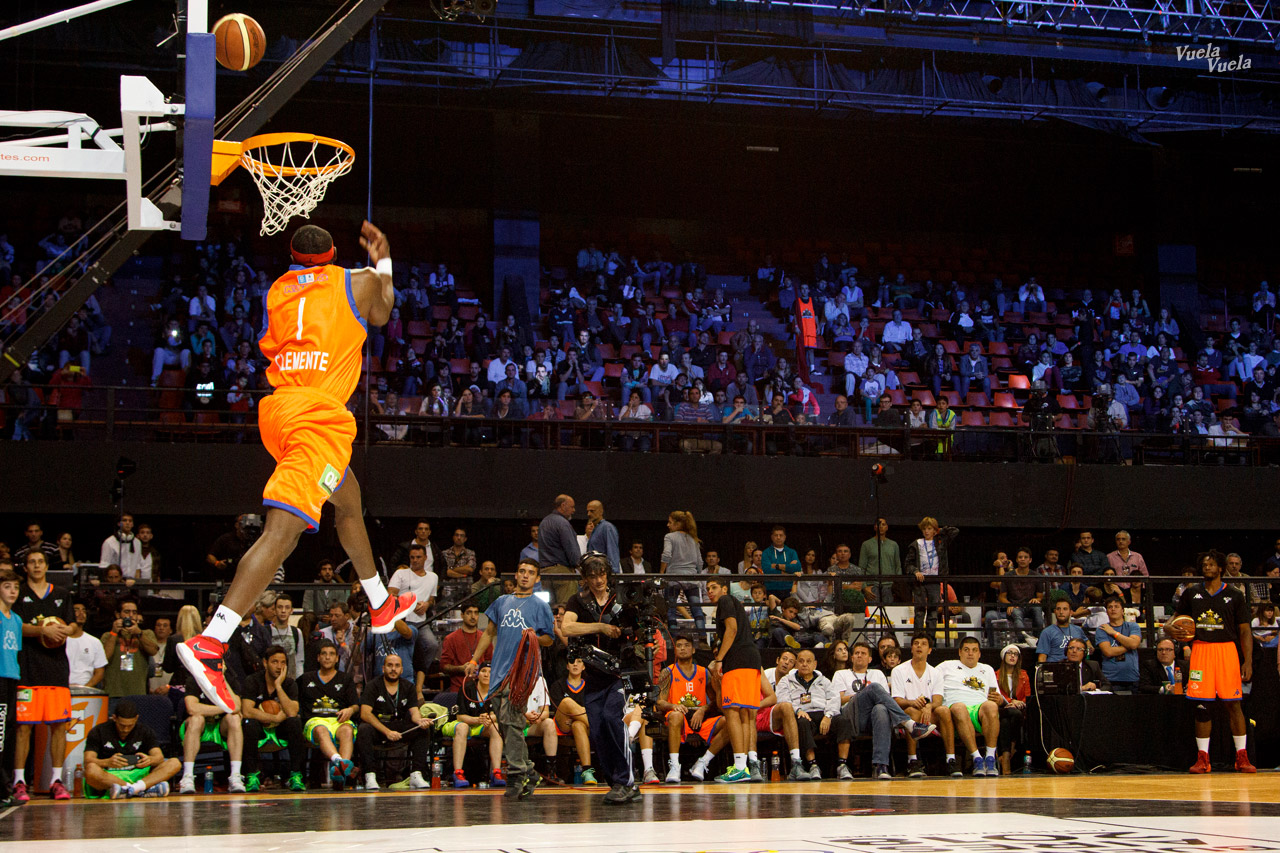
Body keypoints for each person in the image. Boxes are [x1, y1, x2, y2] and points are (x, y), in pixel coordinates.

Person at [178, 222, 418, 715]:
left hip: (279, 411)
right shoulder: (354, 281)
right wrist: (383, 261)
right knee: (282, 534)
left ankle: (378, 602)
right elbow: (383, 310)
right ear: (332, 255)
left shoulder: (279, 288)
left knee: (347, 501)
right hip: (316, 420)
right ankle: (211, 641)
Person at [465, 558, 556, 800]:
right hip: (498, 672)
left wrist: (536, 636)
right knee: (506, 724)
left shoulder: (540, 606)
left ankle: (517, 775)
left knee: (513, 721)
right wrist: (474, 660)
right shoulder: (501, 602)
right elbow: (489, 632)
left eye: (531, 573)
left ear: (537, 579)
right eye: (522, 571)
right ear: (515, 575)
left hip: (523, 673)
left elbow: (550, 640)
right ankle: (528, 770)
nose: (525, 576)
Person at [552, 554, 639, 802]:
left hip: (619, 672)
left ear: (607, 575)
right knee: (598, 730)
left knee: (613, 718)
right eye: (592, 576)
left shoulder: (620, 597)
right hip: (593, 673)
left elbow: (638, 626)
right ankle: (617, 783)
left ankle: (626, 782)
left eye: (601, 575)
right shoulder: (578, 600)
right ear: (585, 578)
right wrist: (599, 627)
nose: (598, 580)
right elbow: (567, 628)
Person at [1175, 549, 1255, 774]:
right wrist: (1172, 629)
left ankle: (1242, 757)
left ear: (1221, 568)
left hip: (1227, 651)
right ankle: (1203, 759)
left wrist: (1247, 661)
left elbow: (1245, 631)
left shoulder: (1235, 595)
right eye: (1204, 565)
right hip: (1201, 651)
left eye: (1211, 564)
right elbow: (1174, 621)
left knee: (1234, 704)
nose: (1207, 568)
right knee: (1201, 707)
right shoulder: (1191, 593)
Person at [12, 551, 74, 803]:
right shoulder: (18, 594)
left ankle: (56, 781)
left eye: (40, 562)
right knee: (23, 728)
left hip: (57, 670)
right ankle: (18, 781)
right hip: (27, 670)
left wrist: (63, 630)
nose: (36, 566)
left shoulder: (61, 594)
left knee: (59, 727)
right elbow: (16, 626)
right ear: (26, 568)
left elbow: (72, 626)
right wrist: (43, 631)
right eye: (32, 562)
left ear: (47, 566)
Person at [705, 576, 763, 783]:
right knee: (745, 715)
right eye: (707, 588)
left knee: (731, 712)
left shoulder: (725, 601)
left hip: (737, 661)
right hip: (751, 659)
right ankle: (743, 766)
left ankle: (739, 768)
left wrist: (719, 659)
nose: (710, 591)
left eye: (713, 587)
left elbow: (732, 629)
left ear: (723, 589)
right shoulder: (734, 603)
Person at [357, 653, 434, 789]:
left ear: (402, 670)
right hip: (379, 727)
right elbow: (365, 713)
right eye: (390, 665)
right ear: (383, 668)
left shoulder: (408, 686)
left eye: (397, 666)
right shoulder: (373, 685)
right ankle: (370, 775)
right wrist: (387, 732)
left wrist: (420, 721)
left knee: (422, 730)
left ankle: (416, 773)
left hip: (399, 725)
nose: (393, 669)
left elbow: (414, 712)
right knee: (364, 729)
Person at [654, 635, 722, 783]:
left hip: (700, 718)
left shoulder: (704, 672)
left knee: (729, 721)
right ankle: (674, 766)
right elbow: (660, 702)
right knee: (675, 716)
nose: (683, 648)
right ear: (675, 650)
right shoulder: (668, 672)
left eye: (686, 645)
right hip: (678, 718)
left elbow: (716, 703)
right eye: (679, 645)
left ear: (693, 649)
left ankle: (703, 762)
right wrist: (673, 706)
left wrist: (703, 709)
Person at [81, 700, 181, 799]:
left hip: (139, 775)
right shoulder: (98, 731)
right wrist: (107, 762)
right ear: (114, 718)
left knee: (174, 763)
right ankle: (140, 791)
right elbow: (88, 761)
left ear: (136, 718)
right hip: (110, 777)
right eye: (122, 725)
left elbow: (159, 757)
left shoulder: (145, 731)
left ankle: (132, 789)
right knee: (91, 769)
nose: (126, 730)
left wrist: (150, 759)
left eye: (130, 726)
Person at [240, 645, 307, 792]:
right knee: (248, 723)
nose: (279, 666)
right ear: (265, 663)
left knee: (295, 722)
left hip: (280, 730)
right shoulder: (253, 680)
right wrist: (273, 718)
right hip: (259, 728)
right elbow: (246, 710)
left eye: (283, 663)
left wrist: (278, 686)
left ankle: (296, 774)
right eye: (275, 662)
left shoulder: (289, 683)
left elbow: (292, 711)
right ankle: (251, 775)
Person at [934, 637, 1002, 777]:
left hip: (979, 710)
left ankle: (990, 758)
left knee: (991, 706)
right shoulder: (946, 666)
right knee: (960, 707)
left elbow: (997, 697)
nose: (970, 653)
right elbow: (929, 682)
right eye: (966, 650)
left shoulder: (987, 669)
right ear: (959, 652)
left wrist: (999, 699)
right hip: (954, 710)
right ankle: (977, 758)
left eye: (974, 650)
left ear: (979, 654)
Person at [298, 640, 360, 789]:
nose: (327, 657)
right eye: (324, 654)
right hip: (315, 721)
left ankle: (340, 773)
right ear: (318, 658)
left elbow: (356, 705)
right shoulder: (305, 679)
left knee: (346, 730)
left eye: (331, 654)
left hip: (338, 720)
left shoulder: (345, 679)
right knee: (321, 730)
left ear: (337, 658)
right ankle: (341, 764)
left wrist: (350, 710)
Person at [177, 665, 248, 793]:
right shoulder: (195, 677)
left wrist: (223, 680)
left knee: (234, 719)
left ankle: (235, 776)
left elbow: (237, 706)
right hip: (200, 726)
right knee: (196, 719)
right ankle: (187, 777)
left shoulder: (230, 679)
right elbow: (192, 708)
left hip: (220, 726)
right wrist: (226, 708)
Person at [387, 544, 441, 700]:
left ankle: (419, 680)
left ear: (425, 558)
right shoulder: (401, 573)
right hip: (403, 621)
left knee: (432, 645)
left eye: (418, 557)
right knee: (408, 651)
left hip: (421, 622)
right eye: (412, 557)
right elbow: (390, 595)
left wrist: (426, 604)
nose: (415, 560)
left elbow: (431, 597)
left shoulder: (433, 577)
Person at [443, 662, 507, 789]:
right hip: (464, 723)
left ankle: (496, 772)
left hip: (482, 726)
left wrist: (490, 717)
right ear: (478, 674)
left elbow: (499, 713)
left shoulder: (497, 691)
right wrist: (478, 719)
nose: (486, 675)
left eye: (490, 672)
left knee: (496, 727)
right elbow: (460, 716)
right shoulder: (467, 688)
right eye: (483, 671)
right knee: (462, 727)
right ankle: (458, 773)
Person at [890, 632, 943, 778]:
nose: (919, 646)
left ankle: (950, 758)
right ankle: (912, 761)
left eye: (924, 644)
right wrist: (912, 702)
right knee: (911, 712)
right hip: (906, 716)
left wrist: (929, 706)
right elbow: (897, 701)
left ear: (930, 650)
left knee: (944, 711)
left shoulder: (936, 672)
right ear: (911, 649)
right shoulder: (899, 670)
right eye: (916, 643)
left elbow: (938, 700)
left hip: (928, 716)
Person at [904, 517, 959, 635]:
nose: (926, 531)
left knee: (933, 612)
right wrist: (915, 571)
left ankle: (930, 639)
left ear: (934, 530)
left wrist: (940, 530)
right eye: (924, 529)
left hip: (935, 580)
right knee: (919, 611)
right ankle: (918, 637)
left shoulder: (940, 542)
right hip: (920, 581)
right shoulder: (916, 544)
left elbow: (955, 531)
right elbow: (908, 564)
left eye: (929, 528)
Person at [661, 511, 705, 634]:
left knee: (671, 610)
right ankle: (703, 637)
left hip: (673, 579)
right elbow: (700, 562)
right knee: (697, 610)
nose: (668, 525)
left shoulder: (669, 537)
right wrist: (697, 576)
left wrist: (661, 573)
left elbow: (666, 555)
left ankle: (674, 638)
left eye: (670, 522)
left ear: (678, 523)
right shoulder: (693, 539)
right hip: (691, 578)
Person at [0, 569, 21, 806]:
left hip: (11, 678)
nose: (12, 591)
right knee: (0, 736)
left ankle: (5, 789)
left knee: (8, 735)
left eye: (15, 587)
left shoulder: (15, 619)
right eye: (7, 586)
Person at [539, 495, 582, 605]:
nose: (574, 510)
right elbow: (572, 553)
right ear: (563, 505)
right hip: (563, 574)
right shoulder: (563, 523)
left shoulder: (544, 522)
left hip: (545, 574)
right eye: (572, 507)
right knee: (567, 609)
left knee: (549, 611)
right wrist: (582, 570)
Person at [994, 644, 1030, 775]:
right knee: (1012, 714)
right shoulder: (995, 675)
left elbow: (1027, 696)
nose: (1012, 656)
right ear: (1003, 656)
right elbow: (995, 694)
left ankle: (1006, 755)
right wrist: (1010, 702)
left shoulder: (1024, 675)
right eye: (1009, 653)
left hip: (1017, 711)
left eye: (1015, 654)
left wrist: (1018, 703)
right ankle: (1011, 751)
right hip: (1001, 708)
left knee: (1006, 721)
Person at [440, 603, 492, 692]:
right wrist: (460, 668)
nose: (473, 616)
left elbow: (490, 662)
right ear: (462, 615)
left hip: (481, 690)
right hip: (459, 689)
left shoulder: (485, 638)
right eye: (469, 613)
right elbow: (444, 666)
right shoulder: (451, 639)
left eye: (476, 613)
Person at [1095, 595, 1141, 691]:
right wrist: (1129, 645)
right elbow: (1108, 652)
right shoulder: (1102, 629)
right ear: (1107, 611)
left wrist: (1114, 633)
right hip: (1110, 679)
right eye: (1110, 607)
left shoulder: (1133, 626)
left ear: (1123, 610)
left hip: (1132, 678)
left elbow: (1134, 644)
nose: (1113, 609)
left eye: (1116, 606)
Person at [859, 518, 900, 604]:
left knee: (890, 613)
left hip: (889, 585)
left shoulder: (893, 545)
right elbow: (861, 568)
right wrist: (864, 586)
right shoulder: (866, 544)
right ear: (875, 527)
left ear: (887, 527)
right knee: (873, 613)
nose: (881, 526)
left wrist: (897, 585)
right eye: (878, 524)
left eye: (883, 524)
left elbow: (898, 566)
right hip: (872, 585)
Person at [1036, 599, 1087, 663]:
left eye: (1065, 609)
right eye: (1058, 609)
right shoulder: (1047, 632)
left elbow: (1088, 648)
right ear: (1055, 611)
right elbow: (1042, 657)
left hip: (1075, 667)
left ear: (1071, 612)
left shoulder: (1078, 630)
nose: (1061, 612)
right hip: (1055, 668)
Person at [585, 501, 621, 573]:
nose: (589, 514)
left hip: (603, 574)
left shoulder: (607, 527)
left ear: (601, 511)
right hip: (595, 573)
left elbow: (612, 551)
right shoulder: (596, 529)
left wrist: (614, 574)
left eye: (592, 511)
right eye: (588, 511)